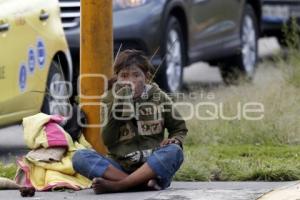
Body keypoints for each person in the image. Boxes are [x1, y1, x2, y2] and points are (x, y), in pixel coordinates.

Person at [72, 49, 188, 194]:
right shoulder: (109, 98)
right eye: (124, 76)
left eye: (136, 75)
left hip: (153, 168)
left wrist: (175, 140)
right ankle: (141, 185)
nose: (130, 81)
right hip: (120, 165)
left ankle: (120, 186)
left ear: (146, 77)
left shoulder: (159, 97)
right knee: (80, 157)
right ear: (118, 78)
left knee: (175, 152)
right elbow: (107, 140)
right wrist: (118, 108)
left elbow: (179, 128)